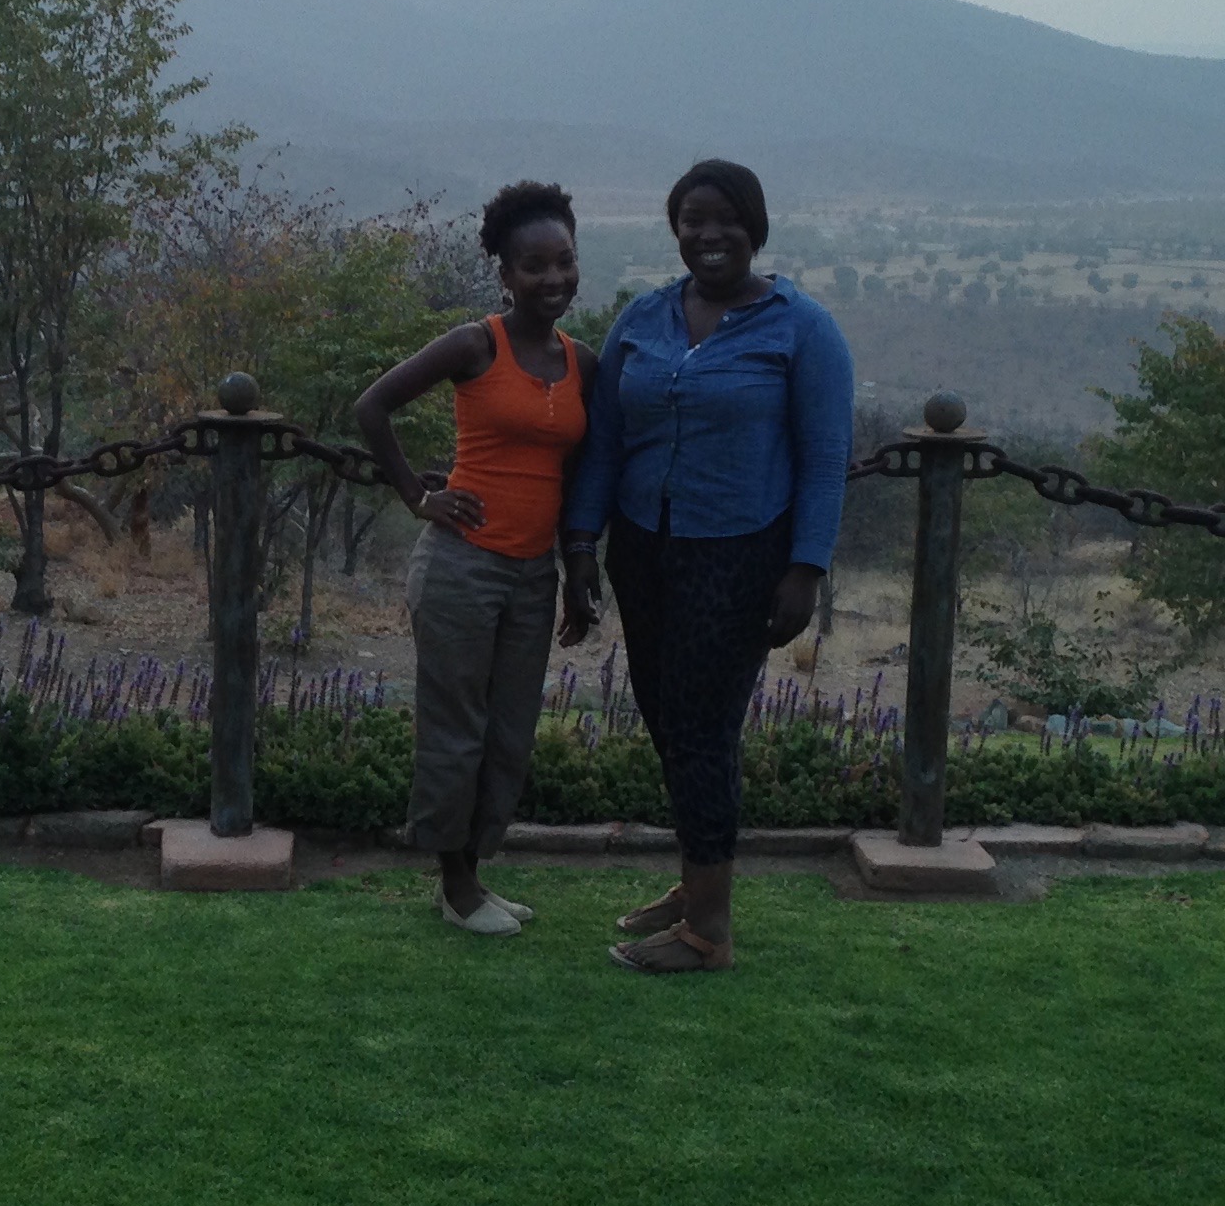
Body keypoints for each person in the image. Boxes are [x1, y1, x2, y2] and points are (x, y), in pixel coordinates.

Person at [562, 159, 853, 973]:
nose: (708, 233)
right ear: (675, 229)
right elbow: (606, 443)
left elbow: (826, 459)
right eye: (692, 219)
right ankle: (697, 883)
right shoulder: (643, 321)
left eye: (725, 218)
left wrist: (805, 569)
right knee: (668, 721)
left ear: (755, 227)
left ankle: (709, 931)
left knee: (703, 729)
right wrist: (581, 545)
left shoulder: (802, 328)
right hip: (643, 549)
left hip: (740, 554)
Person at [353, 182, 601, 936]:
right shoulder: (476, 344)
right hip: (462, 565)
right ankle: (455, 886)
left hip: (533, 575)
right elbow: (371, 407)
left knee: (510, 732)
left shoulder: (583, 362)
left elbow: (576, 477)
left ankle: (474, 875)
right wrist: (414, 496)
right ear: (504, 274)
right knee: (456, 728)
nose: (553, 279)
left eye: (564, 262)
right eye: (534, 266)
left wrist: (578, 578)